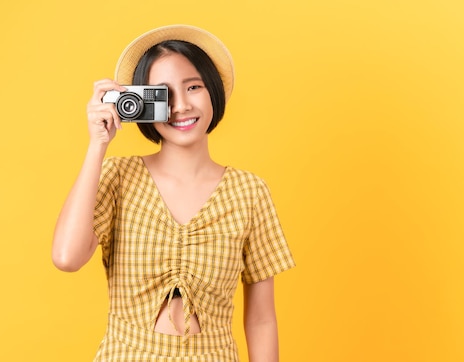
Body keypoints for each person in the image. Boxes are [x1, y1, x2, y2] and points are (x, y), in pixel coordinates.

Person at [52, 24, 295, 361]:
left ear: (213, 91)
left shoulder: (250, 192)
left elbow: (262, 318)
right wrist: (98, 145)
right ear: (141, 103)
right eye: (163, 94)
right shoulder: (119, 177)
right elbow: (66, 258)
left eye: (193, 87)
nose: (180, 106)